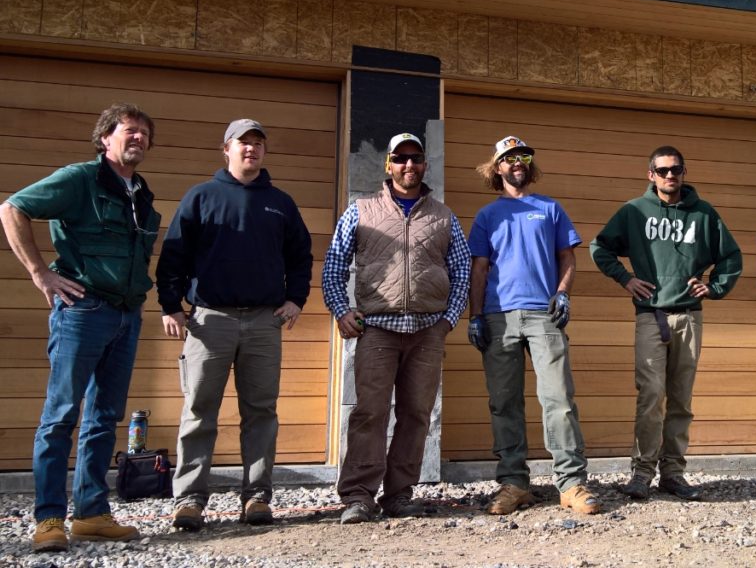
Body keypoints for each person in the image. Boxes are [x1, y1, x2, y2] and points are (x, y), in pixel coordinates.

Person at [0, 103, 160, 552]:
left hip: (127, 315)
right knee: (61, 415)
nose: (139, 139)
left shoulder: (140, 194)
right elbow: (12, 208)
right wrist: (39, 273)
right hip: (83, 311)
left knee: (104, 418)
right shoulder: (79, 179)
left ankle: (90, 513)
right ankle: (49, 518)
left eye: (145, 134)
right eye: (130, 131)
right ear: (105, 136)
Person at [156, 118, 313, 530]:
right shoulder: (201, 197)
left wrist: (296, 299)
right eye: (244, 143)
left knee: (261, 412)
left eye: (258, 143)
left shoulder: (280, 203)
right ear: (225, 149)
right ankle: (188, 500)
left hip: (264, 323)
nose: (251, 149)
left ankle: (257, 496)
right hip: (210, 321)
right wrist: (170, 305)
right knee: (199, 409)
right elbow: (173, 255)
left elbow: (300, 256)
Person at [322, 133, 470, 524]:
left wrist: (447, 321)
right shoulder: (361, 210)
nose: (409, 165)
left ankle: (400, 494)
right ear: (388, 165)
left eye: (416, 158)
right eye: (400, 158)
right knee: (369, 412)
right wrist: (341, 310)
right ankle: (359, 495)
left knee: (416, 414)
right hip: (378, 331)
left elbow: (462, 270)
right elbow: (334, 264)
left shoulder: (444, 216)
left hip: (426, 332)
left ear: (424, 165)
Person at [590, 145, 742, 501]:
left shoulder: (704, 214)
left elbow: (731, 256)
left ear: (684, 172)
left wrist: (715, 285)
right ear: (651, 175)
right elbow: (600, 247)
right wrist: (626, 279)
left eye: (675, 170)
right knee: (650, 395)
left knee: (681, 399)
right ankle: (641, 472)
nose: (669, 176)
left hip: (689, 317)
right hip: (651, 316)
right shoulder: (634, 211)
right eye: (662, 171)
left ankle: (673, 473)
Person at [467, 136, 601, 516]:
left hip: (544, 315)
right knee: (504, 402)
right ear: (497, 168)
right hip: (498, 316)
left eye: (523, 156)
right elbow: (479, 269)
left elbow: (567, 256)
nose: (517, 163)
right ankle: (514, 483)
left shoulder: (550, 208)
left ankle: (571, 483)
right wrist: (474, 316)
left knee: (558, 399)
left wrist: (562, 293)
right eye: (509, 159)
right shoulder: (487, 216)